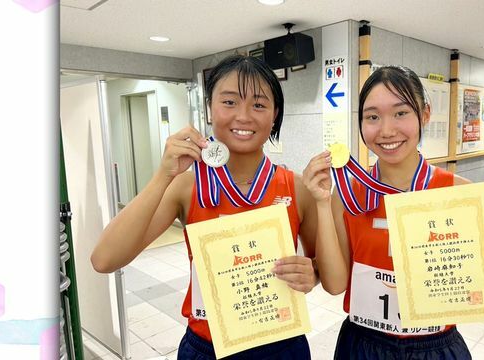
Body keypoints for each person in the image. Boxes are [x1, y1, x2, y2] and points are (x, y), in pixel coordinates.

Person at [91, 55, 318, 359]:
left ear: (275, 114)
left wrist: (311, 273)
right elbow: (104, 259)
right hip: (206, 346)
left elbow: (325, 271)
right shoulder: (186, 186)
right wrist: (163, 175)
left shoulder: (297, 187)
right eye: (229, 102)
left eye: (259, 105)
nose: (244, 115)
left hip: (280, 343)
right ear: (210, 109)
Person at [303, 65, 484, 359]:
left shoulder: (459, 193)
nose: (386, 130)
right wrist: (321, 202)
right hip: (363, 343)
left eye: (401, 113)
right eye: (372, 117)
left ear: (424, 114)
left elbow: (476, 273)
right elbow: (335, 286)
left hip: (435, 345)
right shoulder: (348, 194)